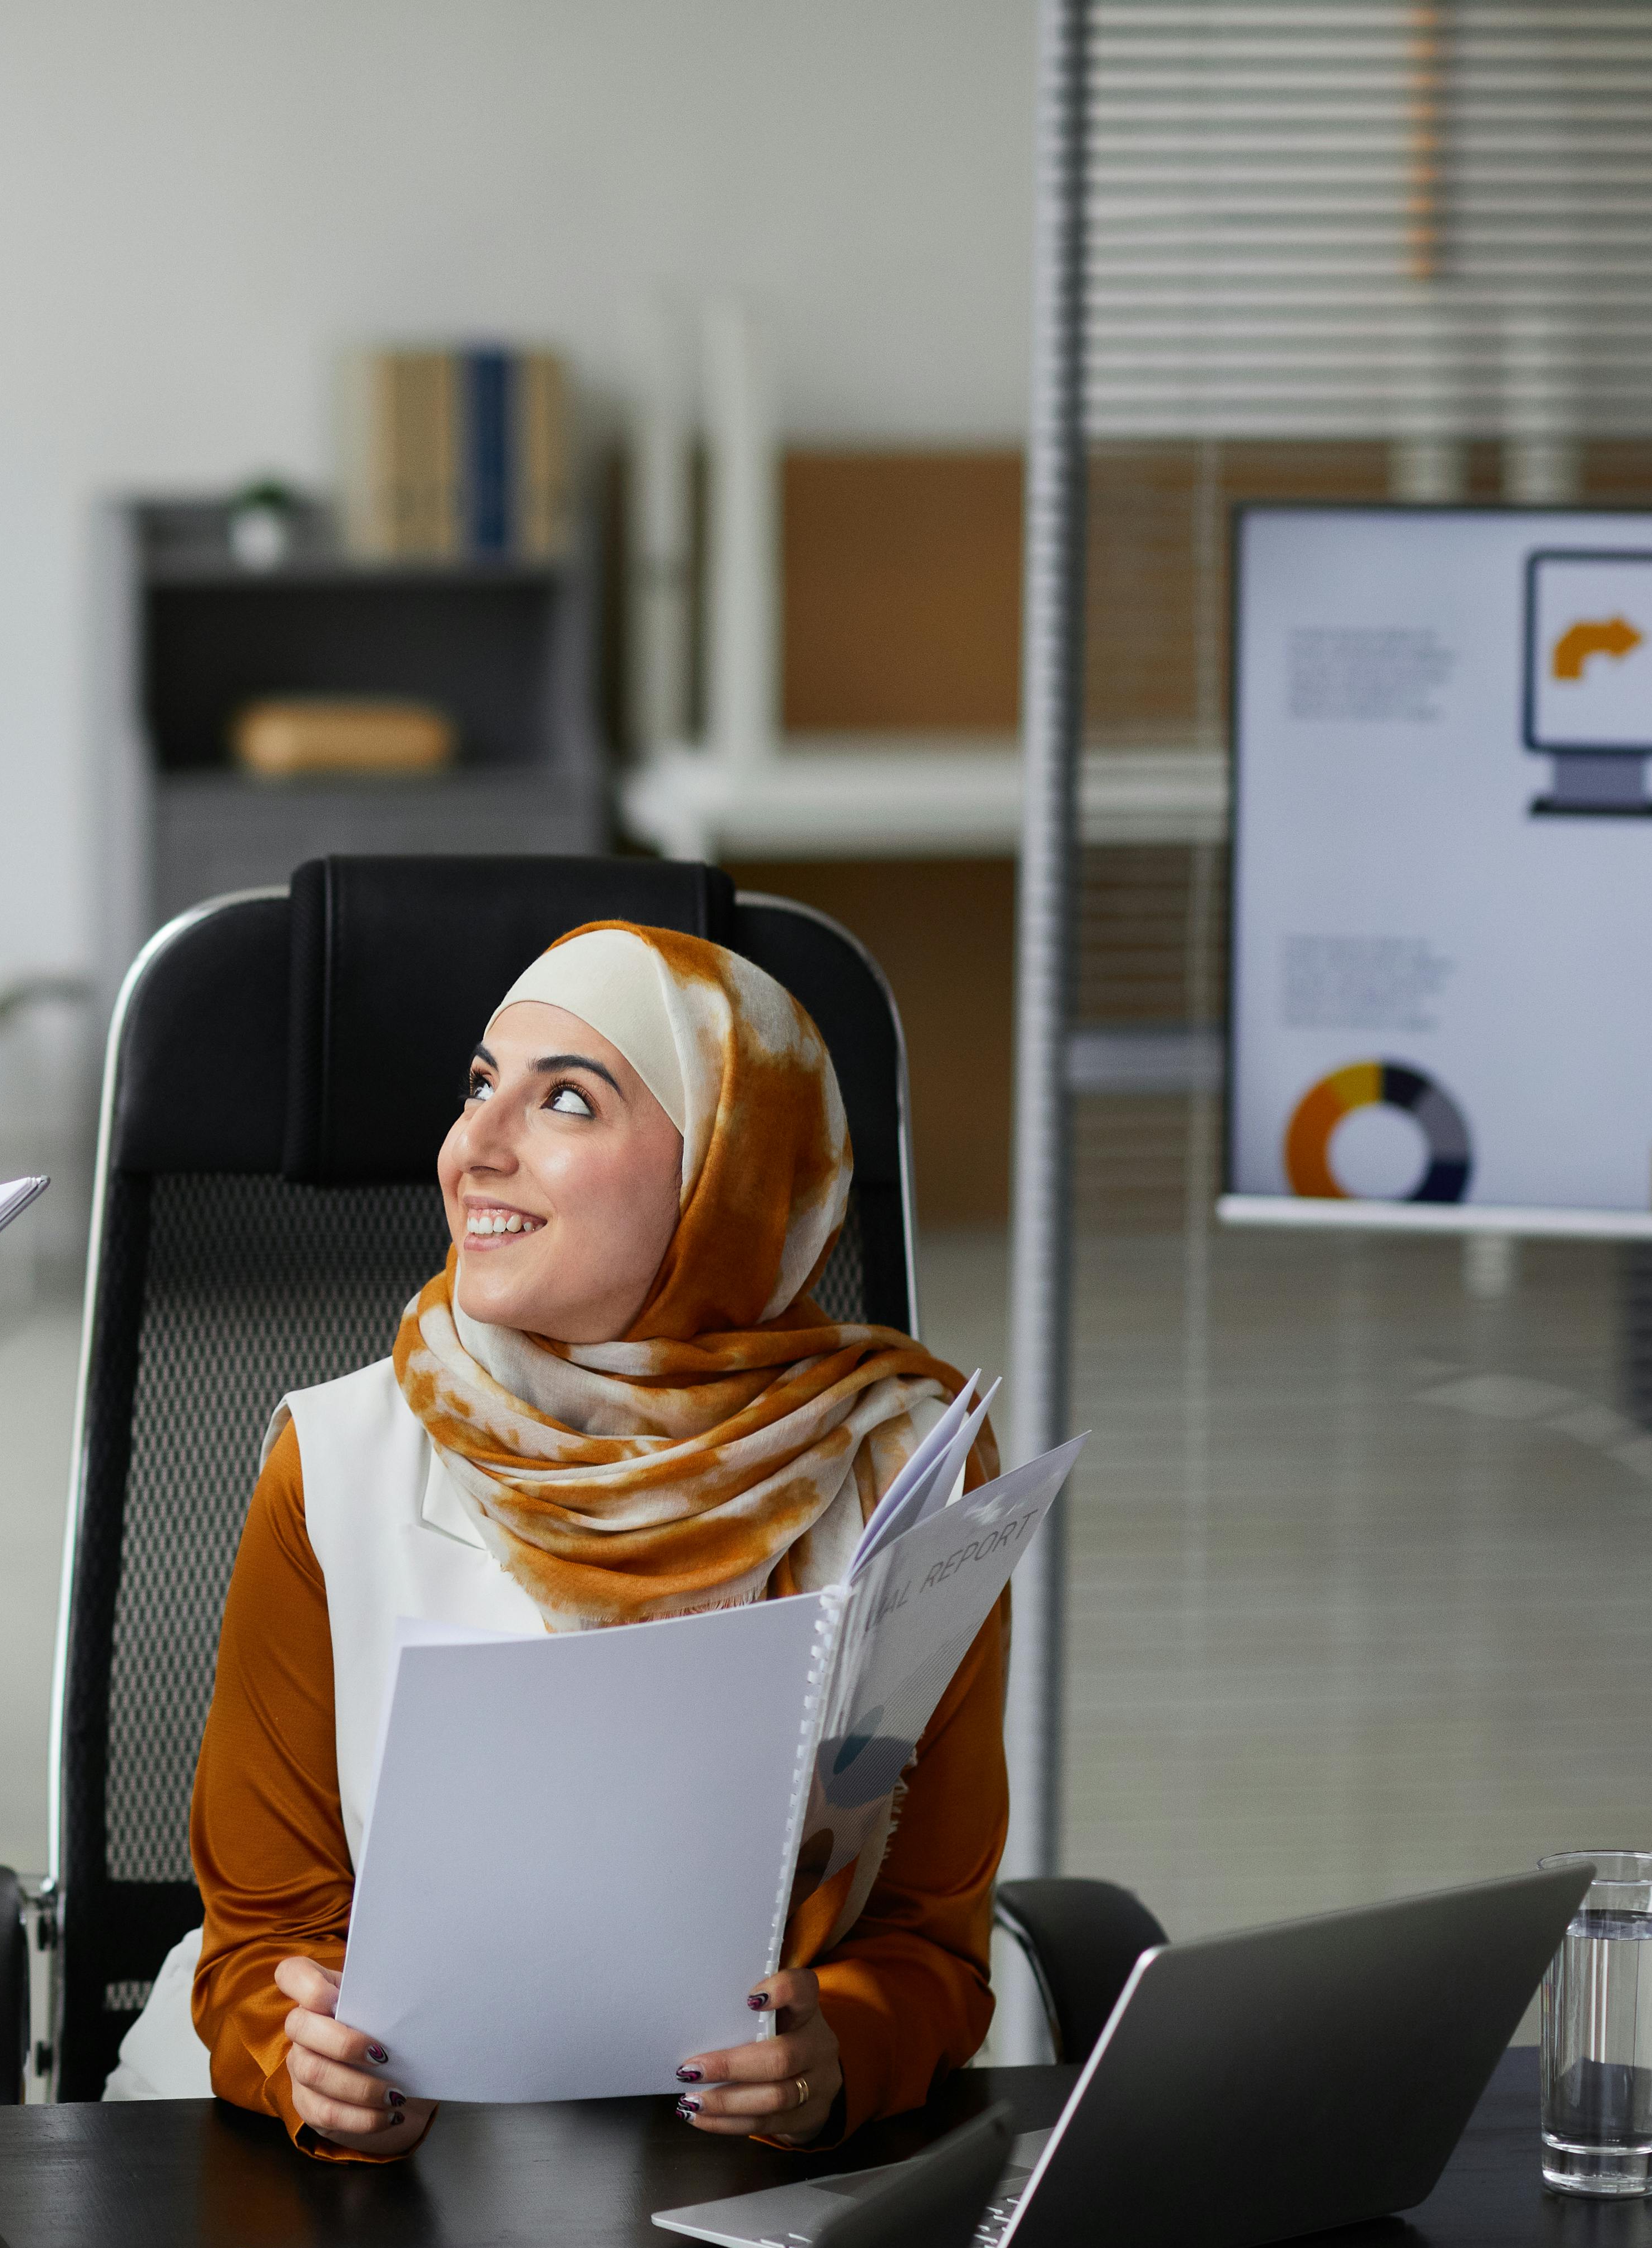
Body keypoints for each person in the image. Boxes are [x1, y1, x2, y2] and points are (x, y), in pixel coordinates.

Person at [101, 920, 1006, 2158]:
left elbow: (929, 1937)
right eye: (479, 1088)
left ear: (728, 1175)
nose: (473, 1149)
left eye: (564, 1102)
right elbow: (262, 1934)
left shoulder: (905, 1461)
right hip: (392, 2178)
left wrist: (836, 2049)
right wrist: (300, 2057)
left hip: (742, 2176)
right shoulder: (339, 1456)